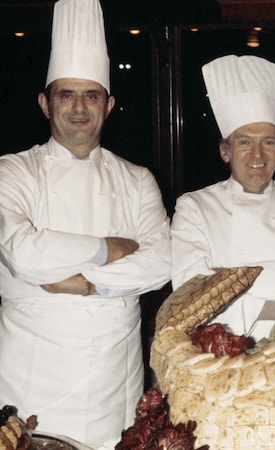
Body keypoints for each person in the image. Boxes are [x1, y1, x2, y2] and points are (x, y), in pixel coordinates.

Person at [0, 0, 172, 447]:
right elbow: (22, 252)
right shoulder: (12, 172)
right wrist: (110, 248)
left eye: (91, 95)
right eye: (66, 94)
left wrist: (88, 283)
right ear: (44, 102)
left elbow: (160, 262)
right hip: (32, 379)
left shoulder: (137, 179)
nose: (79, 107)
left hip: (114, 382)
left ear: (109, 104)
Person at [170, 54, 275, 340]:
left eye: (268, 142)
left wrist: (229, 279)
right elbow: (192, 293)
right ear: (225, 151)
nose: (257, 155)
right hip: (218, 356)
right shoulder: (194, 207)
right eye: (244, 142)